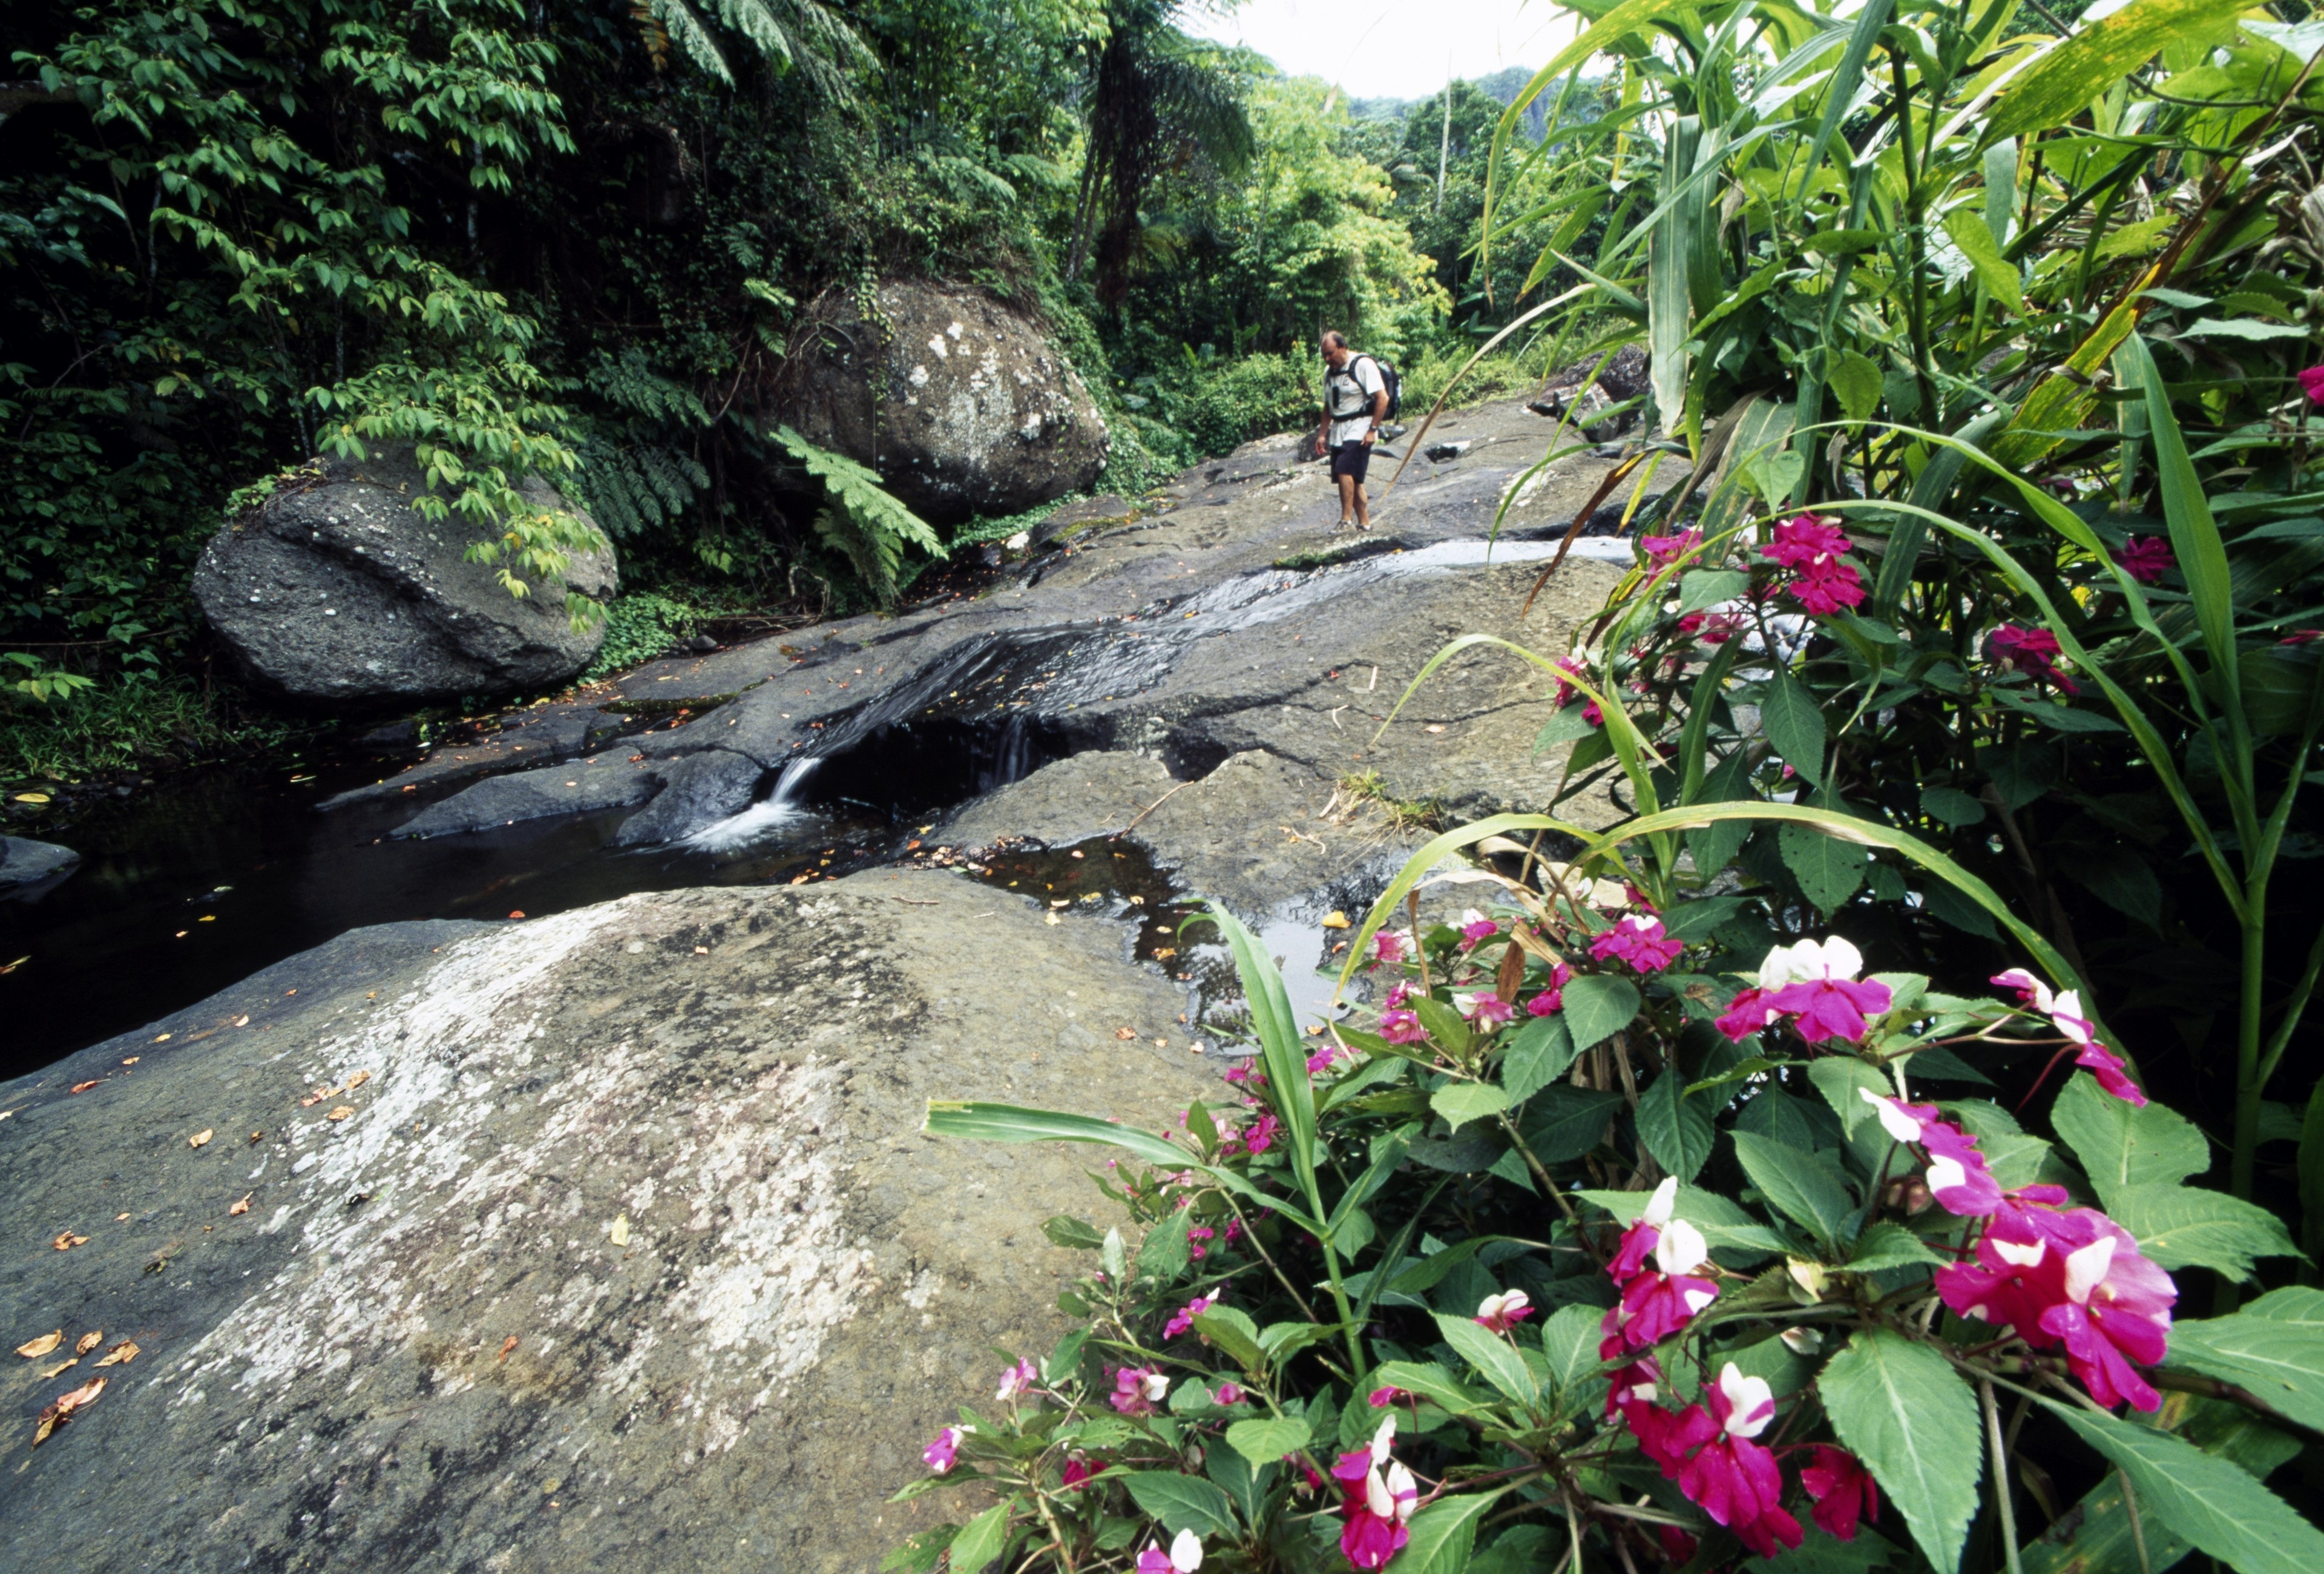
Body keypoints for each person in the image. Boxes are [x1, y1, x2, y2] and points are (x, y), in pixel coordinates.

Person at [1314, 331, 1388, 529]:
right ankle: (1365, 524)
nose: (1328, 359)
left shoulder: (1363, 365)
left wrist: (1373, 429)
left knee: (1344, 470)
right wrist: (1322, 434)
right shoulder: (1328, 373)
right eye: (1325, 356)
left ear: (1343, 348)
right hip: (1339, 428)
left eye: (1331, 353)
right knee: (1353, 481)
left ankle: (1346, 520)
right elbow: (1328, 406)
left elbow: (1383, 398)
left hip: (1361, 425)